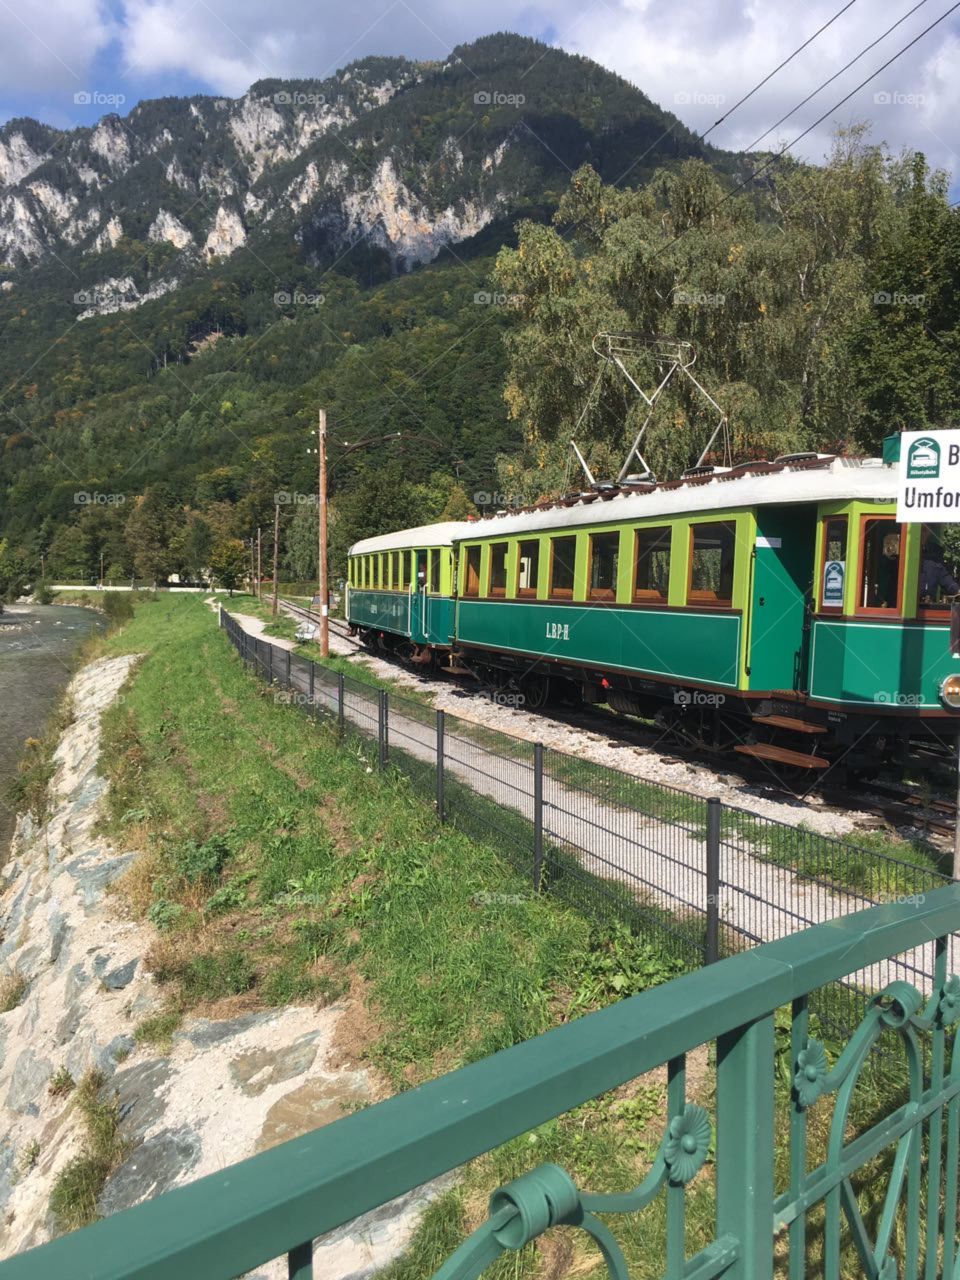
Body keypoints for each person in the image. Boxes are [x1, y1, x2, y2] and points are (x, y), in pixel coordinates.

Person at [920, 531, 960, 603]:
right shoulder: (906, 551)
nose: (922, 532)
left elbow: (944, 576)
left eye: (925, 530)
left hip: (928, 607)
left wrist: (957, 590)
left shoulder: (934, 553)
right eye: (922, 529)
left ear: (928, 533)